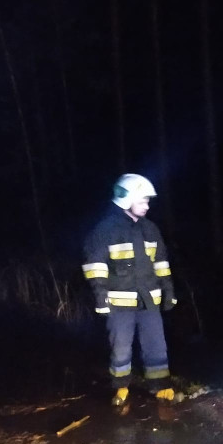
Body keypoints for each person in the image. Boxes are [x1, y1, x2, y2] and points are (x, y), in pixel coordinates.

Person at [82, 173, 181, 406]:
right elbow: (95, 266)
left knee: (156, 344)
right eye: (143, 201)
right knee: (120, 347)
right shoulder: (104, 230)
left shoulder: (151, 229)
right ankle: (121, 388)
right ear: (126, 200)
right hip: (119, 303)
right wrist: (100, 298)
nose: (147, 206)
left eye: (148, 201)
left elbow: (162, 263)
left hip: (149, 299)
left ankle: (160, 387)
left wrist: (169, 291)